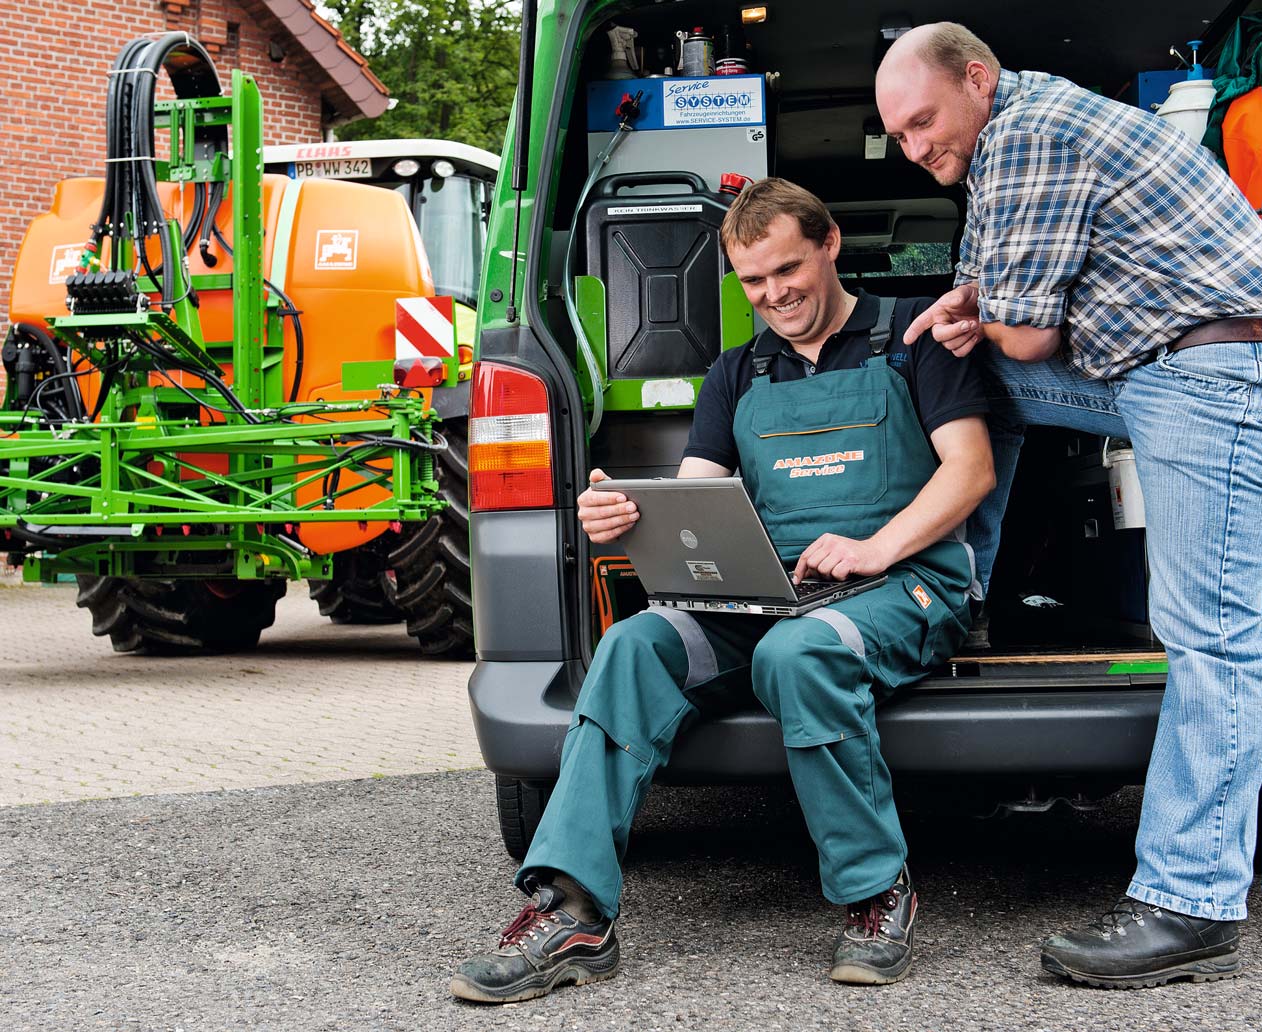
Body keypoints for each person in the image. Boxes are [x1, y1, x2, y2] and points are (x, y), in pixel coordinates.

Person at [450, 177, 994, 1003]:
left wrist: (874, 548)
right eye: (753, 280)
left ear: (829, 244)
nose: (774, 295)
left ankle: (876, 892)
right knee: (635, 643)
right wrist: (630, 517)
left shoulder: (912, 339)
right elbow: (697, 496)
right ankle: (573, 910)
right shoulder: (737, 373)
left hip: (907, 580)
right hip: (777, 590)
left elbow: (971, 471)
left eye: (787, 270)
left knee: (798, 652)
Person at [876, 22, 1262, 989]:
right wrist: (970, 310)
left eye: (924, 121)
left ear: (977, 78)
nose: (916, 149)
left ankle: (1192, 903)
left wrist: (982, 310)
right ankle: (951, 589)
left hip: (1207, 371)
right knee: (959, 372)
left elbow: (1031, 334)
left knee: (1211, 634)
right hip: (1151, 365)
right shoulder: (1012, 136)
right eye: (900, 137)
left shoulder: (1032, 134)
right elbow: (1000, 303)